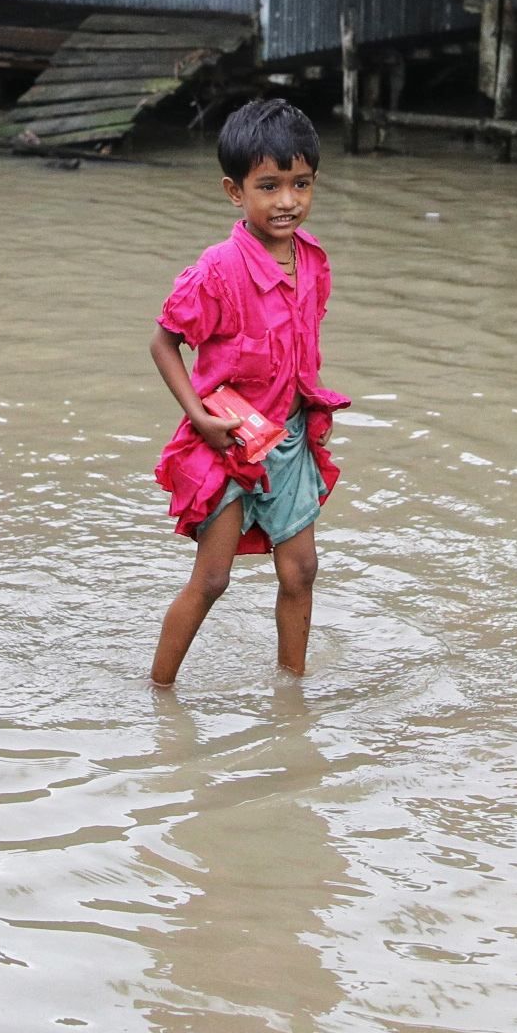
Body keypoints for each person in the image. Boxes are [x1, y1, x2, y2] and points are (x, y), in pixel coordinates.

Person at [147, 99, 345, 687]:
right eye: (269, 186)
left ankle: (292, 690)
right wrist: (199, 419)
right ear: (235, 192)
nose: (288, 201)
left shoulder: (311, 260)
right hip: (227, 441)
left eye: (301, 184)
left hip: (286, 439)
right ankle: (159, 692)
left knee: (301, 569)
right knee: (212, 579)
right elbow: (163, 345)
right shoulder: (216, 270)